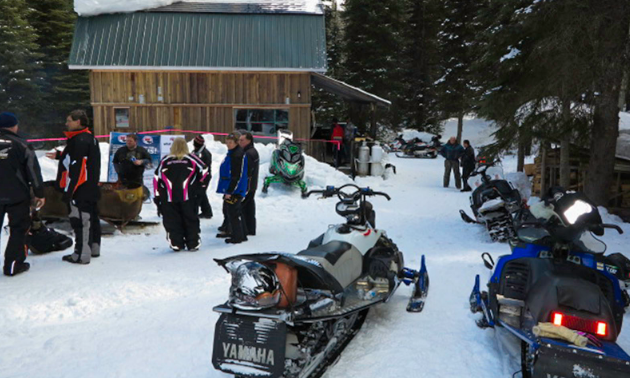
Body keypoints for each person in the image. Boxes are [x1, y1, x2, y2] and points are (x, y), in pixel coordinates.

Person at [47, 110, 101, 265]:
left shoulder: (80, 140)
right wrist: (61, 156)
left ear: (78, 122)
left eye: (69, 120)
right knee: (92, 218)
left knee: (81, 220)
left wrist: (69, 191)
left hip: (80, 188)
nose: (66, 123)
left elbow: (79, 168)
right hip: (90, 186)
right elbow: (78, 159)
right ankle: (94, 248)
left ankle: (81, 254)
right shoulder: (88, 138)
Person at [0, 112, 45, 276]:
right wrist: (39, 193)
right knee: (18, 229)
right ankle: (13, 265)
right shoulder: (22, 144)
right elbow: (33, 171)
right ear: (13, 126)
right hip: (17, 195)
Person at [153, 138, 206, 251]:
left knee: (172, 220)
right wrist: (200, 187)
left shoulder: (165, 160)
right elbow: (205, 171)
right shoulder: (193, 159)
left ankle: (176, 243)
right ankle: (192, 243)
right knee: (190, 219)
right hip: (188, 196)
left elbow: (156, 178)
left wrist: (157, 195)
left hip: (168, 197)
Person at [216, 133, 248, 244]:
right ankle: (238, 233)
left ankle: (237, 236)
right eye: (227, 142)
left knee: (233, 212)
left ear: (236, 142)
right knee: (230, 211)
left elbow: (236, 175)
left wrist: (230, 191)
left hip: (235, 189)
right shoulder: (233, 153)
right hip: (232, 188)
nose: (228, 144)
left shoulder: (237, 155)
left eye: (230, 142)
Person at [238, 132, 259, 236]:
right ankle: (250, 229)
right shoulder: (252, 151)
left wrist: (244, 186)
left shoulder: (248, 153)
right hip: (252, 185)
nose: (240, 142)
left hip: (248, 185)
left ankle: (244, 229)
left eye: (242, 140)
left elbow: (247, 171)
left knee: (243, 208)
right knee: (249, 207)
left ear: (248, 141)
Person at [192, 135, 213, 219]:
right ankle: (207, 212)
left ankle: (194, 212)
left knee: (199, 195)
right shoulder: (196, 151)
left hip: (204, 177)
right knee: (202, 194)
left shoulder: (204, 154)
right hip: (199, 177)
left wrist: (202, 179)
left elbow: (205, 167)